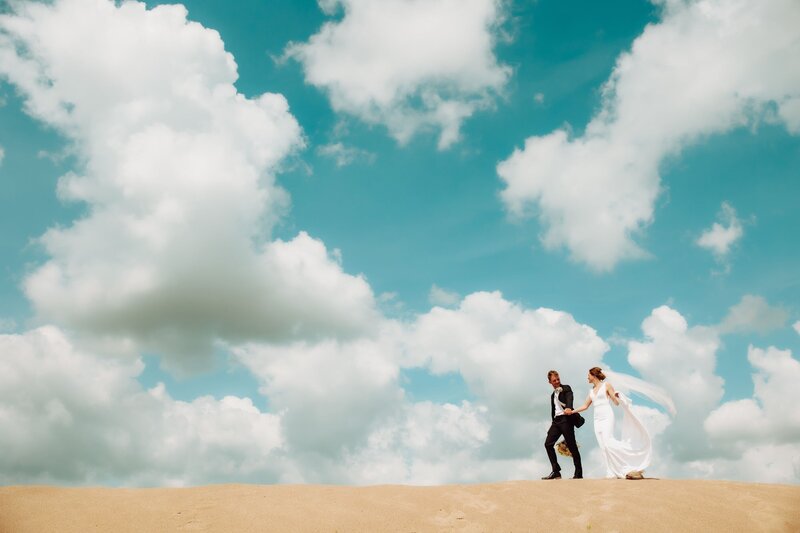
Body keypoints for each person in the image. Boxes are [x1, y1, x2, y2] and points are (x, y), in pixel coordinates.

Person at [567, 367, 651, 479]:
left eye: (589, 375)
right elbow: (585, 406)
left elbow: (615, 403)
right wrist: (571, 411)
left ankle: (630, 462)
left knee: (608, 442)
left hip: (607, 416)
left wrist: (616, 397)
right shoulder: (591, 391)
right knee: (603, 447)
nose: (587, 377)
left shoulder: (606, 385)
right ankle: (610, 471)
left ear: (594, 375)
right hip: (597, 420)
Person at [542, 370, 584, 479]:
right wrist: (552, 426)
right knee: (548, 444)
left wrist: (569, 407)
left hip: (566, 420)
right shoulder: (552, 395)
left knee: (572, 446)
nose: (556, 382)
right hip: (556, 421)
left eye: (558, 379)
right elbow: (554, 410)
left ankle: (578, 473)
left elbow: (570, 397)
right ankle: (556, 471)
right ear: (550, 382)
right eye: (554, 380)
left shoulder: (566, 388)